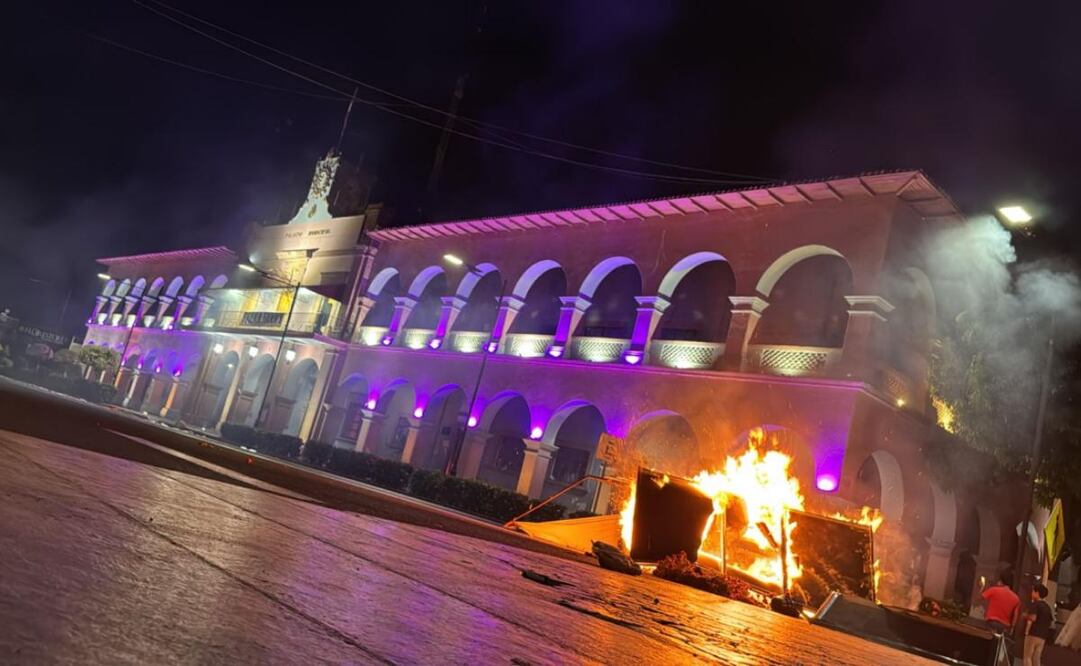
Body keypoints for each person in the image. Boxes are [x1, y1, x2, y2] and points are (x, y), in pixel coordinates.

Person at [1024, 583, 1053, 666]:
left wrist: (1025, 615)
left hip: (1033, 634)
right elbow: (1050, 621)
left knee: (1027, 657)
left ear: (1037, 593)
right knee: (1036, 659)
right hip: (1043, 636)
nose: (1031, 593)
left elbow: (1033, 618)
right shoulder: (1047, 607)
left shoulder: (1035, 604)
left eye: (1033, 591)